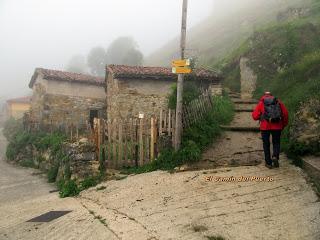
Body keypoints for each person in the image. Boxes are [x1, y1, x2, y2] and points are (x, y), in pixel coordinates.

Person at [252, 91, 289, 169]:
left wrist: (260, 116)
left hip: (265, 127)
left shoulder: (261, 103)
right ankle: (275, 156)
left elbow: (254, 116)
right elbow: (285, 113)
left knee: (266, 144)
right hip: (277, 126)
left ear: (264, 96)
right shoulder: (278, 102)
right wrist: (283, 125)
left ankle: (268, 163)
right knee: (276, 142)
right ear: (272, 95)